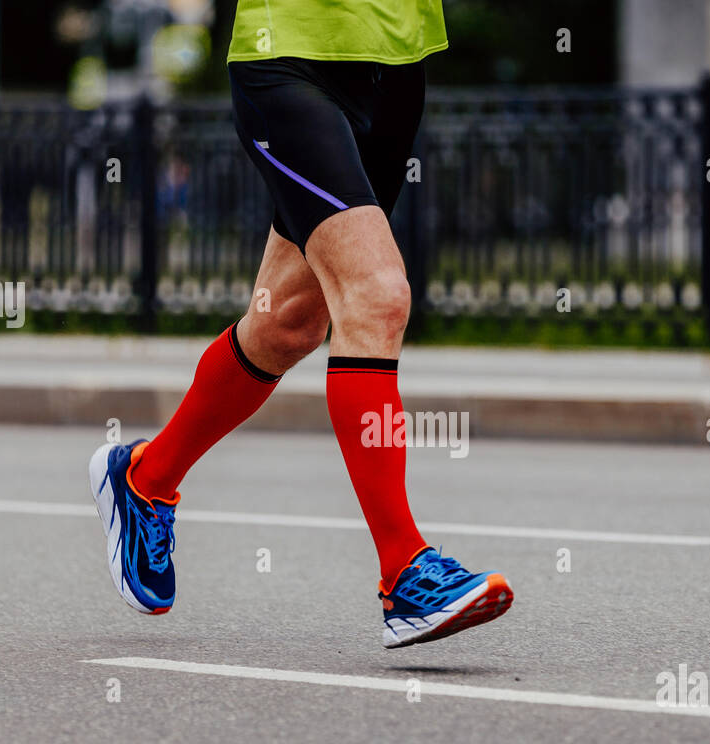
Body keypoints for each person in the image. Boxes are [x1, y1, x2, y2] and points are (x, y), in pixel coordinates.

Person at [88, 0, 513, 648]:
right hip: (289, 57)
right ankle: (404, 571)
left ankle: (146, 478)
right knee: (376, 295)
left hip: (397, 62)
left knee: (288, 321)